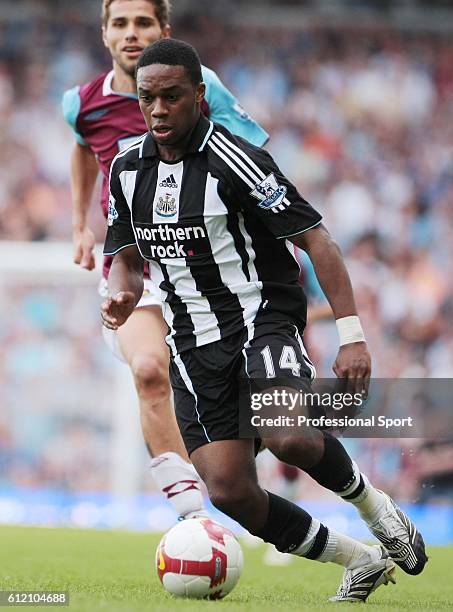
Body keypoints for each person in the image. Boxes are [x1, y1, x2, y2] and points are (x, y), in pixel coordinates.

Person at [101, 38, 427, 602]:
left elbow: (317, 240)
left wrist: (352, 337)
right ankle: (361, 560)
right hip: (192, 343)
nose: (157, 110)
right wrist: (121, 295)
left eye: (171, 97)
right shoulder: (128, 171)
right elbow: (126, 261)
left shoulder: (236, 159)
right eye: (147, 97)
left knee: (289, 437)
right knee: (228, 491)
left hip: (262, 322)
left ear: (199, 97)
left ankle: (377, 509)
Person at [61, 0, 268, 520]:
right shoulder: (81, 103)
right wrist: (81, 222)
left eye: (143, 23)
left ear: (163, 30)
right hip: (132, 261)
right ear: (105, 33)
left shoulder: (201, 85)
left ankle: (250, 482)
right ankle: (194, 518)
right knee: (149, 368)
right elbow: (84, 147)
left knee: (237, 394)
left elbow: (251, 155)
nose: (132, 34)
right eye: (121, 23)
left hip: (203, 262)